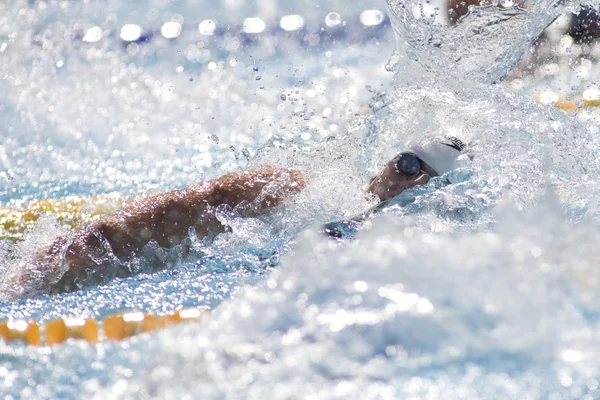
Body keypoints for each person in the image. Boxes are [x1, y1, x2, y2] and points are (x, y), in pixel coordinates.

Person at [21, 136, 465, 297]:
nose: (408, 181)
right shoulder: (292, 189)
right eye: (407, 164)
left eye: (423, 176)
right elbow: (168, 212)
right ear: (391, 160)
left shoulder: (410, 250)